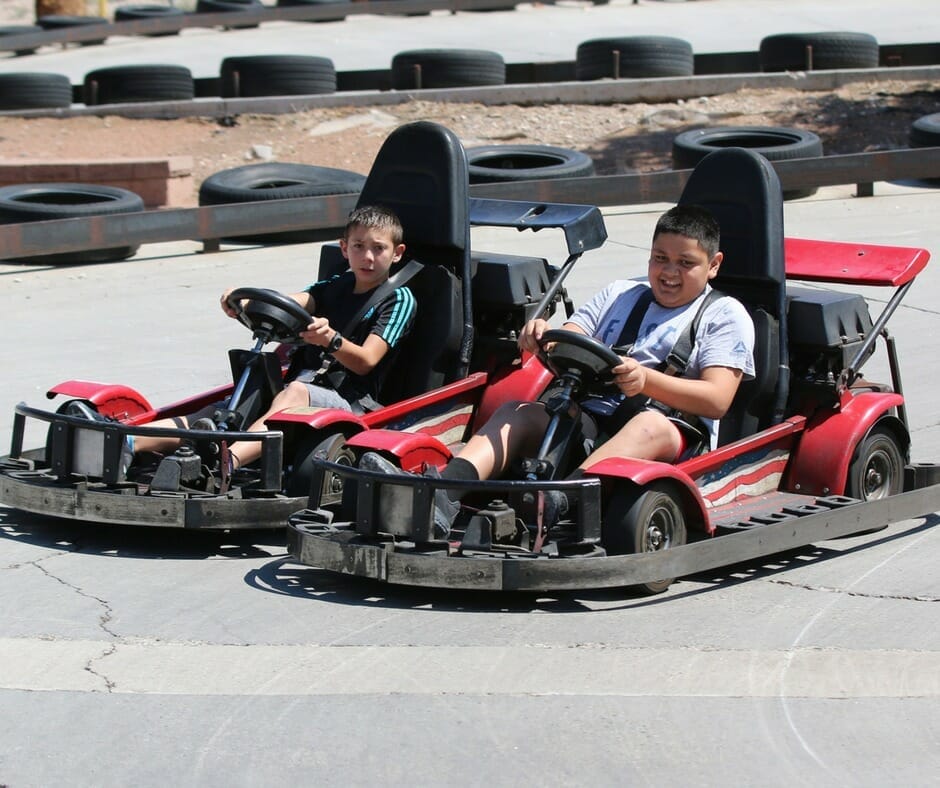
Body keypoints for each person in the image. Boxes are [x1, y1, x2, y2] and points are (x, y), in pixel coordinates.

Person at [364, 204, 755, 534]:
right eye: (660, 259)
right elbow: (571, 336)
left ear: (714, 265)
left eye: (686, 264)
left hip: (672, 432)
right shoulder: (620, 294)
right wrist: (542, 334)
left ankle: (558, 504)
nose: (669, 273)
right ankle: (440, 495)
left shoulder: (724, 314)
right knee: (519, 411)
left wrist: (645, 379)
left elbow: (717, 400)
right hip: (591, 417)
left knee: (646, 425)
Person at [134, 204, 416, 472]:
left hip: (351, 401)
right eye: (359, 246)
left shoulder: (398, 299)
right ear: (344, 248)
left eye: (378, 248)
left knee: (295, 391)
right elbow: (292, 303)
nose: (367, 257)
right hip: (302, 386)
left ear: (397, 253)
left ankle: (227, 461)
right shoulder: (337, 284)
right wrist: (244, 303)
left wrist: (332, 340)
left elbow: (367, 361)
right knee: (234, 401)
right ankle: (127, 441)